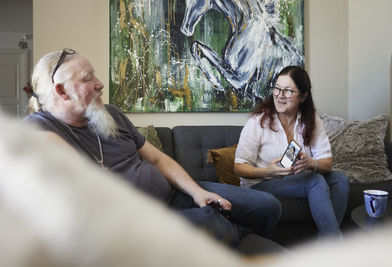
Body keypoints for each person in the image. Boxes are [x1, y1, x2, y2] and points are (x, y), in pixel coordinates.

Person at [24, 48, 282, 246]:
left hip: (174, 193)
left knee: (268, 206)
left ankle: (222, 238)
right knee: (213, 224)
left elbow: (158, 159)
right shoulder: (41, 128)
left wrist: (195, 192)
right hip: (144, 222)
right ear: (61, 91)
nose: (100, 84)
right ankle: (224, 233)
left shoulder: (110, 114)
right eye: (87, 79)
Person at [234, 66, 349, 237]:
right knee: (315, 181)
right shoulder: (258, 121)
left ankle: (325, 243)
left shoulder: (310, 119)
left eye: (288, 91)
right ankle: (334, 246)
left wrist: (311, 162)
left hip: (295, 180)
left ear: (303, 96)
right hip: (261, 183)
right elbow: (238, 167)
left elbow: (327, 164)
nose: (280, 95)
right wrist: (268, 171)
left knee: (340, 179)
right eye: (277, 89)